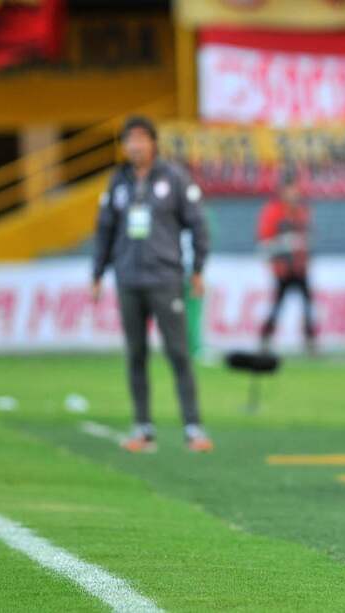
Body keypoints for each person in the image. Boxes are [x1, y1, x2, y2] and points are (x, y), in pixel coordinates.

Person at [91, 115, 213, 453]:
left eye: (142, 138)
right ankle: (143, 428)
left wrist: (198, 268)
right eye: (130, 139)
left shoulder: (174, 178)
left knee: (178, 353)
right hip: (128, 278)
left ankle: (193, 428)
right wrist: (97, 273)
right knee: (136, 354)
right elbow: (105, 230)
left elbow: (198, 225)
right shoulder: (118, 182)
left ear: (154, 143)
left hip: (165, 278)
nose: (135, 145)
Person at [257, 176, 316, 353]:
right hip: (282, 269)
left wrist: (304, 250)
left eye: (295, 190)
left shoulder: (302, 211)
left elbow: (309, 237)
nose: (293, 194)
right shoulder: (272, 212)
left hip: (299, 268)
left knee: (307, 305)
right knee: (277, 306)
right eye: (290, 190)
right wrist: (286, 243)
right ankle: (265, 339)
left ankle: (310, 342)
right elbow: (263, 244)